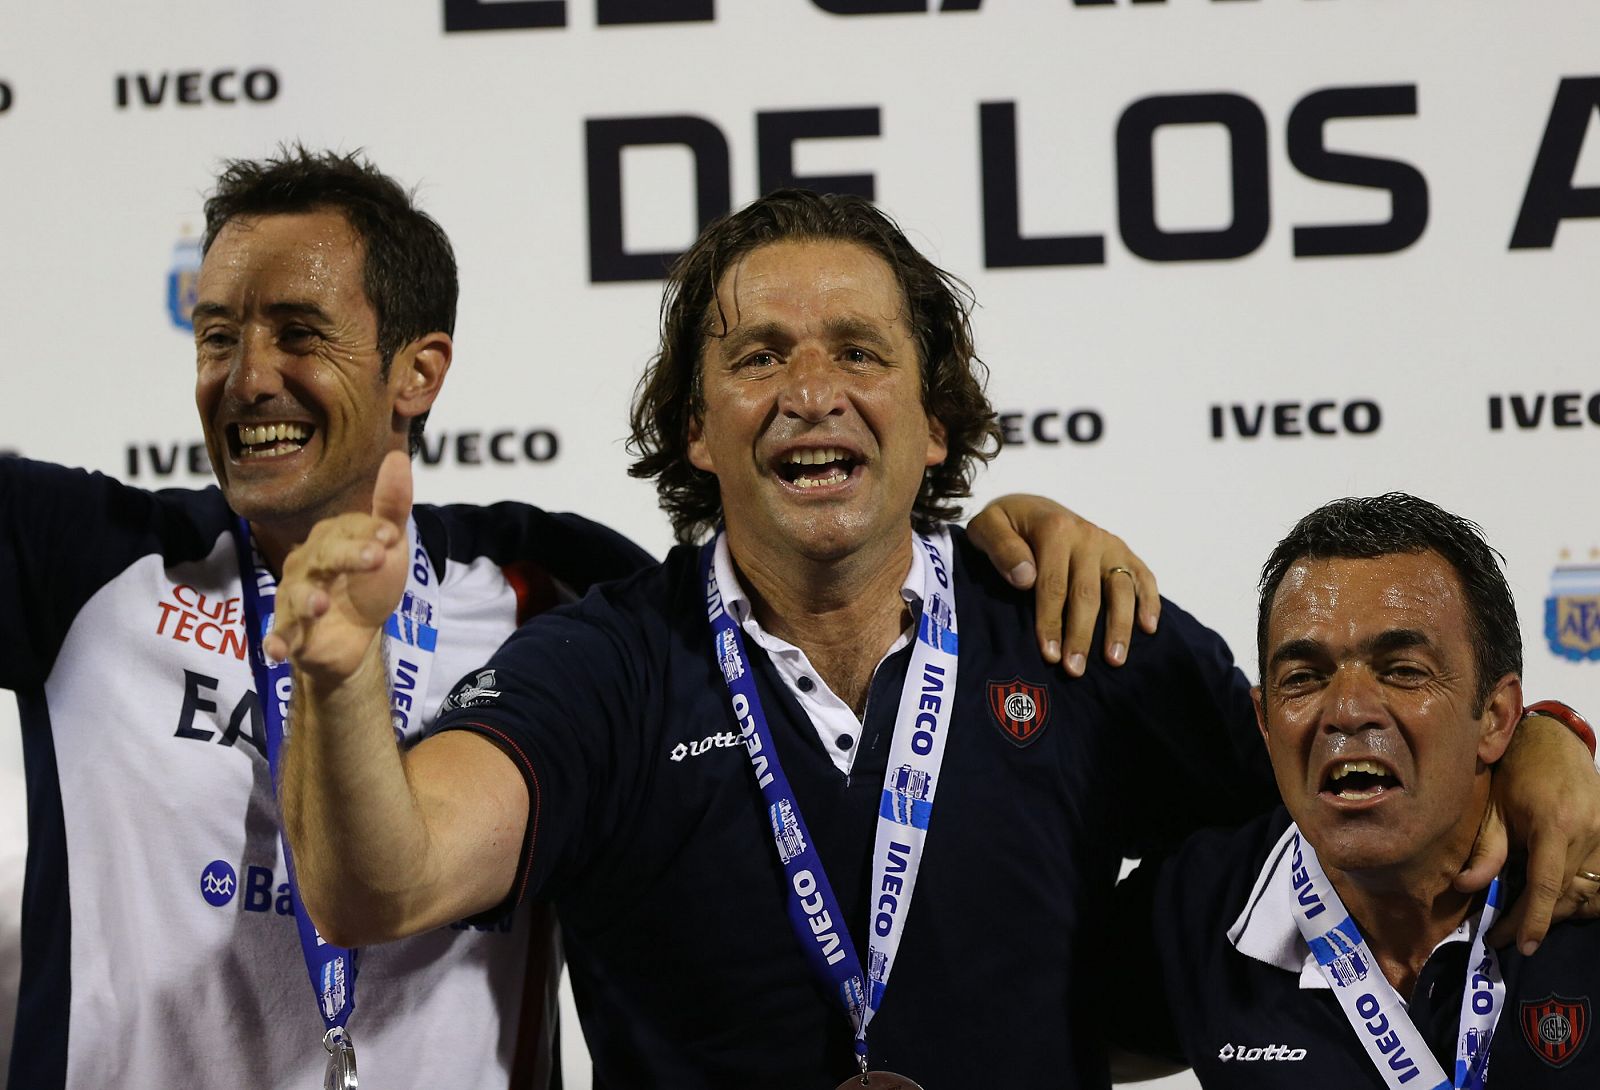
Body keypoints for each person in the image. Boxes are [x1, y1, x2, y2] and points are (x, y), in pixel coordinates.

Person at [271, 191, 1600, 1087]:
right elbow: (377, 881)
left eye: (860, 352)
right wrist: (337, 684)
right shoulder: (615, 663)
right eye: (758, 358)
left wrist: (1540, 748)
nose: (810, 393)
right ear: (693, 426)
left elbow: (1356, 785)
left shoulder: (1077, 624)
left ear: (938, 419)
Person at [0, 153, 1153, 1088]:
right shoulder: (81, 560)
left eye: (299, 332)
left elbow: (787, 571)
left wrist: (1001, 530)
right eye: (215, 334)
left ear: (418, 371)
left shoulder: (548, 583)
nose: (247, 375)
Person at [1110, 493, 1600, 1087]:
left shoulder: (1584, 872)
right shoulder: (1197, 909)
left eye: (1402, 671)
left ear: (1497, 717)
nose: (1346, 711)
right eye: (1304, 678)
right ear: (1265, 723)